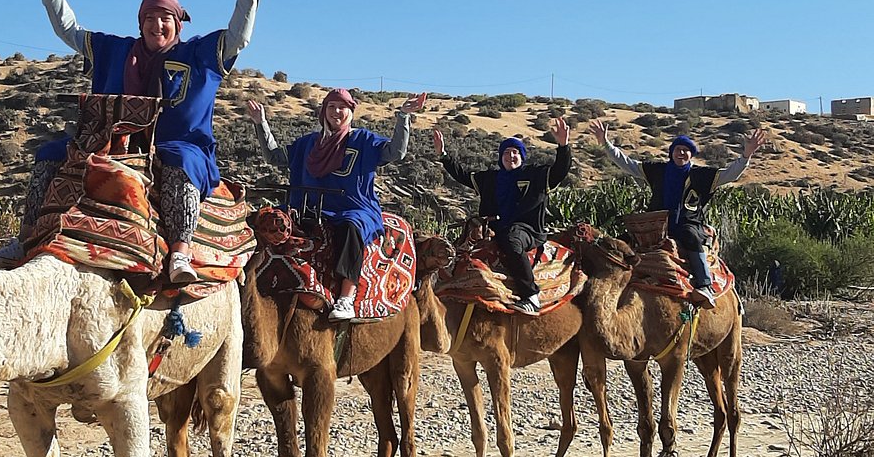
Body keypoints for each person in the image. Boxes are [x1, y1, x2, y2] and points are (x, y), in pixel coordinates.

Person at [0, 0, 268, 284]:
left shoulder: (199, 54)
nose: (158, 26)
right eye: (151, 19)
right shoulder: (114, 50)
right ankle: (27, 238)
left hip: (183, 145)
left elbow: (238, 37)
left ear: (178, 24)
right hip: (112, 144)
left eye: (166, 19)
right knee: (50, 153)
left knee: (179, 160)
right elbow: (70, 31)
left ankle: (181, 250)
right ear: (140, 23)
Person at [247, 89, 426, 321]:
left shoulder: (364, 140)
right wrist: (261, 124)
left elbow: (396, 152)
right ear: (324, 112)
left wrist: (403, 116)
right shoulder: (308, 143)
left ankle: (346, 296)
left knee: (352, 227)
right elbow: (275, 158)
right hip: (307, 205)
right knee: (264, 221)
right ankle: (245, 278)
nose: (336, 112)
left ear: (351, 112)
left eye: (342, 107)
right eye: (331, 107)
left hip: (351, 207)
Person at [590, 120, 767, 307]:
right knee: (621, 241)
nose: (681, 153)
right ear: (671, 152)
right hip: (656, 225)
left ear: (691, 154)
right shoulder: (657, 170)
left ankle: (705, 285)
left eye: (686, 150)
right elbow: (627, 164)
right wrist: (606, 144)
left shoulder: (702, 175)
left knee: (691, 237)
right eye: (677, 149)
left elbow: (730, 174)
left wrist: (746, 155)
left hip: (688, 223)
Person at [432, 120, 572, 313]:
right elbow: (462, 175)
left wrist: (563, 147)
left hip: (527, 230)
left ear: (522, 157)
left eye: (515, 152)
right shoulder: (490, 179)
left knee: (512, 239)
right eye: (506, 152)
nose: (511, 156)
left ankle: (531, 296)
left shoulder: (537, 176)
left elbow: (560, 171)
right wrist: (443, 155)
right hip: (495, 228)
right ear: (501, 157)